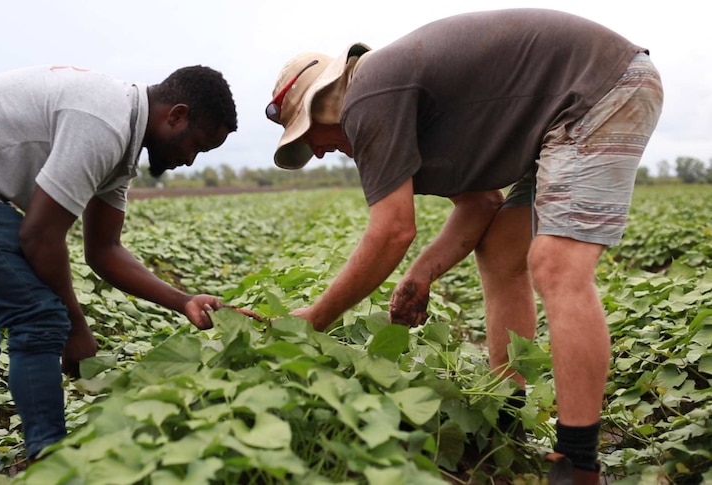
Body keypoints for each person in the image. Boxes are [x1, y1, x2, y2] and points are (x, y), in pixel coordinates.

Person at [264, 8, 662, 484]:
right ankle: (507, 413)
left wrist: (316, 317)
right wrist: (421, 275)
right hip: (564, 114)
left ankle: (576, 463)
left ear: (323, 103)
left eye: (312, 135)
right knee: (500, 251)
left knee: (557, 264)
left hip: (602, 87)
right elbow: (479, 205)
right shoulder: (400, 111)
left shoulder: (367, 96)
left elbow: (391, 230)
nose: (321, 151)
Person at [0, 64, 237, 485]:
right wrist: (75, 326)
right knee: (41, 318)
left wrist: (183, 301)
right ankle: (53, 471)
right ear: (176, 116)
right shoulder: (103, 125)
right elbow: (39, 236)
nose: (189, 160)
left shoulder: (121, 138)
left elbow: (104, 250)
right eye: (196, 145)